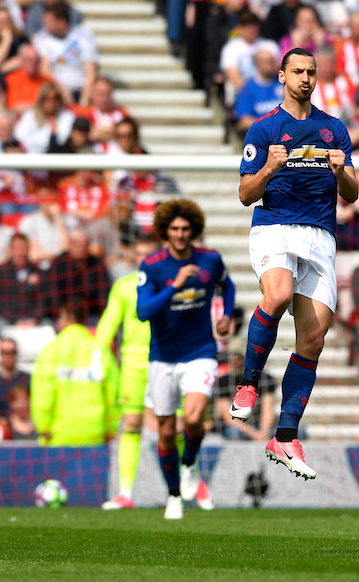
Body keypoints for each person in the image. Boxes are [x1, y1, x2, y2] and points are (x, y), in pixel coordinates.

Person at [230, 48, 359, 480]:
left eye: (312, 72)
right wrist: (268, 167)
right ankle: (248, 384)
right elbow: (247, 193)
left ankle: (285, 436)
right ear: (282, 76)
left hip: (320, 235)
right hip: (275, 226)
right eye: (298, 71)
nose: (306, 78)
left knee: (314, 339)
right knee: (278, 295)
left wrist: (342, 173)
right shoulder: (265, 128)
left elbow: (353, 193)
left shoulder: (333, 129)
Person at [136, 199, 234, 520]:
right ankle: (174, 494)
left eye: (185, 229)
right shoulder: (152, 266)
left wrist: (227, 316)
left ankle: (189, 463)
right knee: (165, 432)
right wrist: (174, 287)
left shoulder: (210, 260)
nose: (180, 234)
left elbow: (228, 286)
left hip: (200, 352)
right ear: (165, 231)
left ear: (194, 230)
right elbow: (143, 312)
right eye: (174, 229)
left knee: (193, 418)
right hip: (162, 357)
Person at [93, 235, 160, 510]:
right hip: (132, 365)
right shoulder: (123, 287)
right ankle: (125, 493)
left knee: (176, 428)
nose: (142, 259)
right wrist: (97, 353)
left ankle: (187, 486)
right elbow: (109, 320)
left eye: (148, 253)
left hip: (164, 362)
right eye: (139, 253)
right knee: (131, 425)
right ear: (132, 255)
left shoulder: (170, 283)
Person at [31, 301, 120, 446]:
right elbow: (112, 393)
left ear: (69, 317)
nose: (58, 323)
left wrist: (43, 426)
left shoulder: (51, 350)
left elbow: (43, 393)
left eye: (60, 317)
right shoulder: (100, 352)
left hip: (59, 435)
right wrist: (111, 427)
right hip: (94, 435)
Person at [0, 338, 30, 418]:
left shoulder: (28, 380)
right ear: (0, 354)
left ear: (17, 354)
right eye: (4, 352)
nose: (9, 356)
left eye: (12, 352)